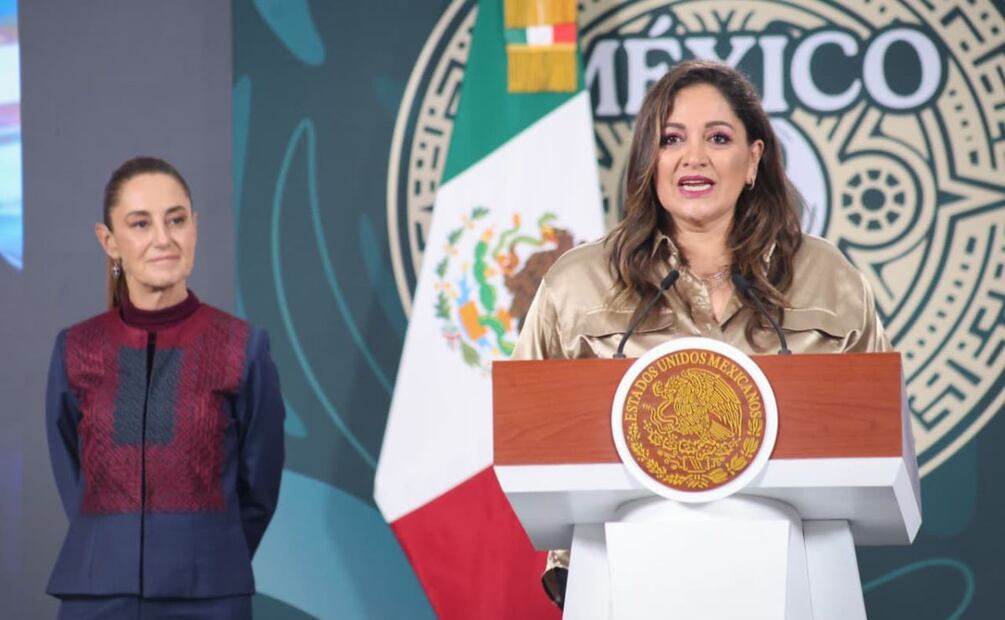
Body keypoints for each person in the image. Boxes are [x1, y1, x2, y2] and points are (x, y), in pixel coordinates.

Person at [512, 60, 892, 607]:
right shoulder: (576, 283)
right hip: (621, 578)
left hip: (794, 581)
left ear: (753, 158)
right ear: (650, 158)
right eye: (671, 139)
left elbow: (878, 438)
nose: (694, 157)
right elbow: (526, 437)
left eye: (718, 137)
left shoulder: (830, 279)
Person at [45, 156, 286, 619]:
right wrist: (111, 546)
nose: (163, 238)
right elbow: (73, 476)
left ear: (194, 227)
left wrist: (207, 551)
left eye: (176, 219)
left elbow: (260, 488)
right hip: (95, 596)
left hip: (209, 596)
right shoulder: (76, 348)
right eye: (140, 224)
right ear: (109, 241)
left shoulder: (242, 346)